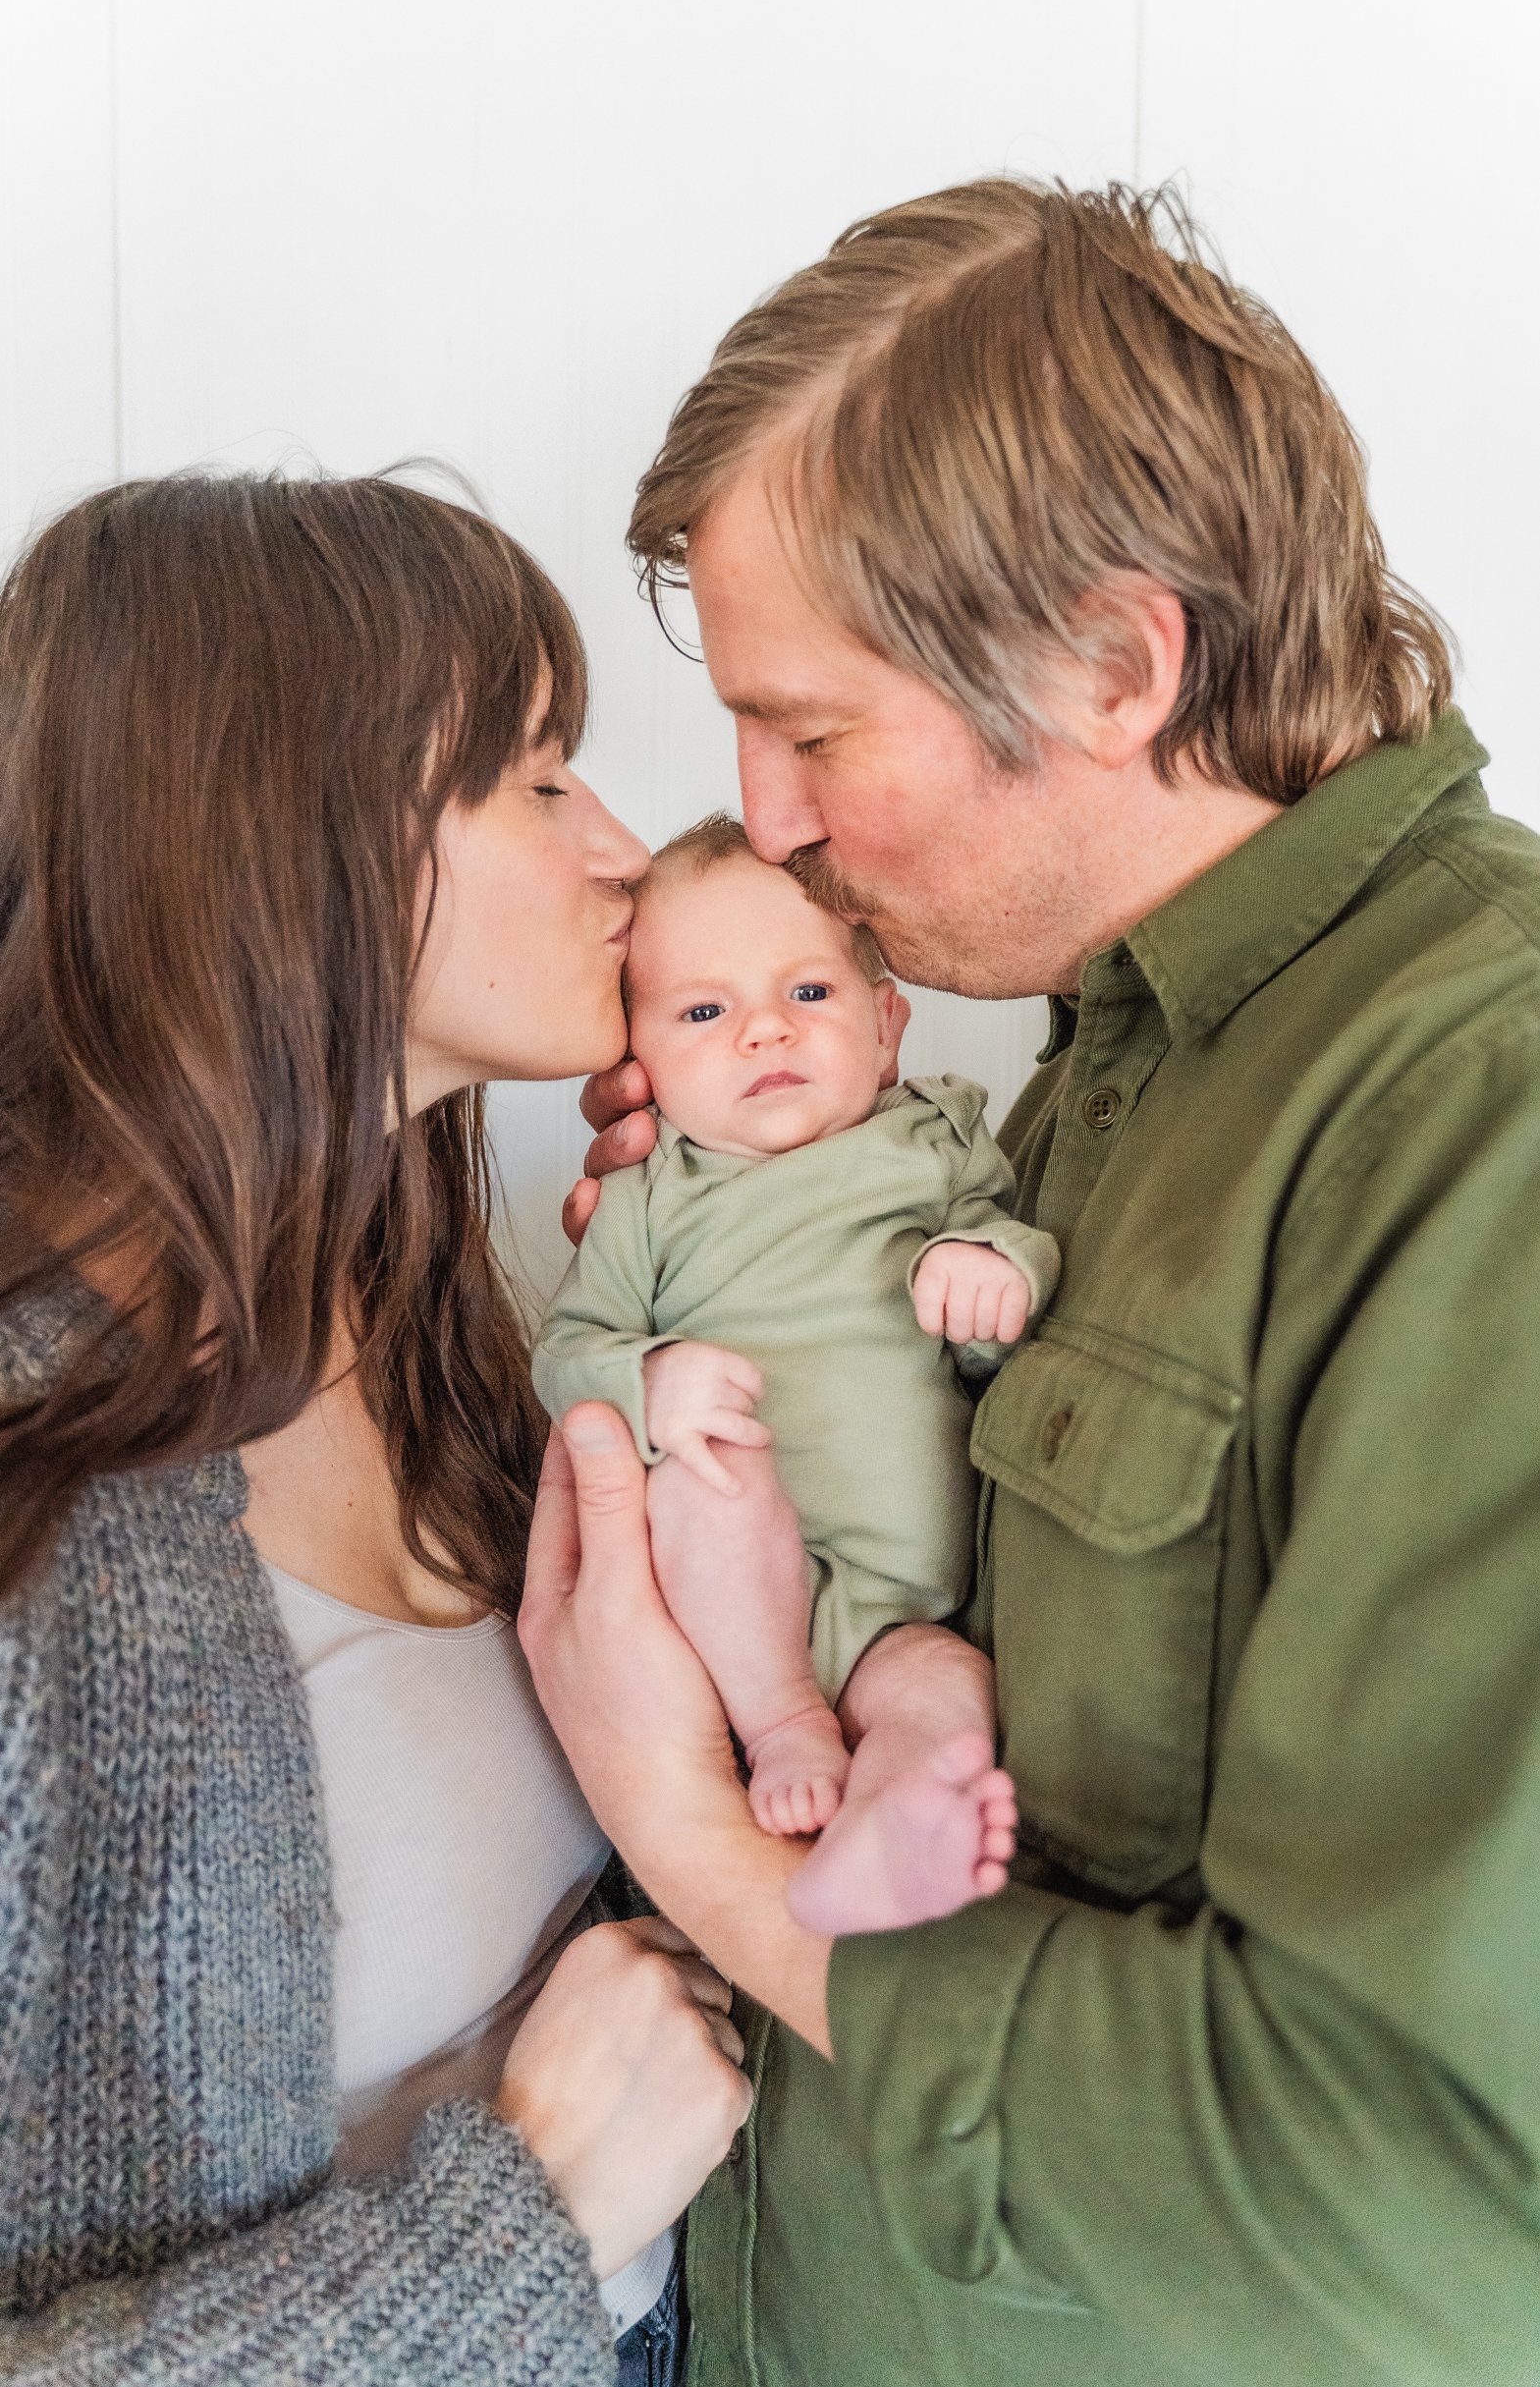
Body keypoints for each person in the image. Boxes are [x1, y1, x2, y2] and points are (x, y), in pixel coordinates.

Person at [520, 178, 1540, 2384]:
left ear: (1113, 664)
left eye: (814, 732)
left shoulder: (1485, 1122)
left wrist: (700, 1847)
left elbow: (1415, 2184)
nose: (760, 820)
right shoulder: (1071, 1064)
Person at [0, 473, 750, 2386]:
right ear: (274, 823)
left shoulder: (466, 1342)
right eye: (534, 780)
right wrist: (522, 2225)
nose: (625, 847)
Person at [534, 814, 1050, 1932]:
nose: (764, 1031)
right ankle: (784, 1730)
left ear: (887, 1026)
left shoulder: (934, 1141)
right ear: (640, 1065)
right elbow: (568, 1351)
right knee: (700, 1480)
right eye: (705, 1011)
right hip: (734, 1606)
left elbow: (1009, 1252)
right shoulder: (648, 1197)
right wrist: (650, 1378)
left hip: (905, 1603)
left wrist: (988, 1273)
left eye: (809, 993)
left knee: (946, 1690)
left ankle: (900, 1817)